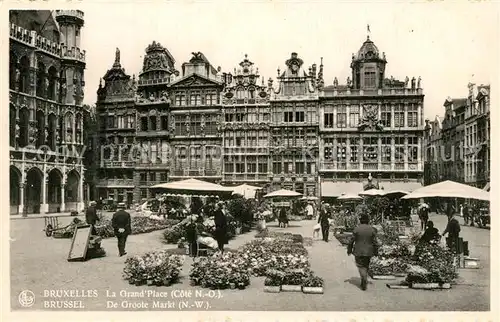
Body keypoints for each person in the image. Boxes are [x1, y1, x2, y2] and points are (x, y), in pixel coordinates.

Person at [347, 214, 379, 291]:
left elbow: (351, 241)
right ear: (368, 220)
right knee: (366, 265)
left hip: (358, 251)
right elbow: (375, 242)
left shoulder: (357, 229)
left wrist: (349, 250)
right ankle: (364, 279)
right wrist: (376, 251)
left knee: (360, 265)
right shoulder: (372, 229)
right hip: (368, 251)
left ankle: (364, 279)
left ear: (360, 220)